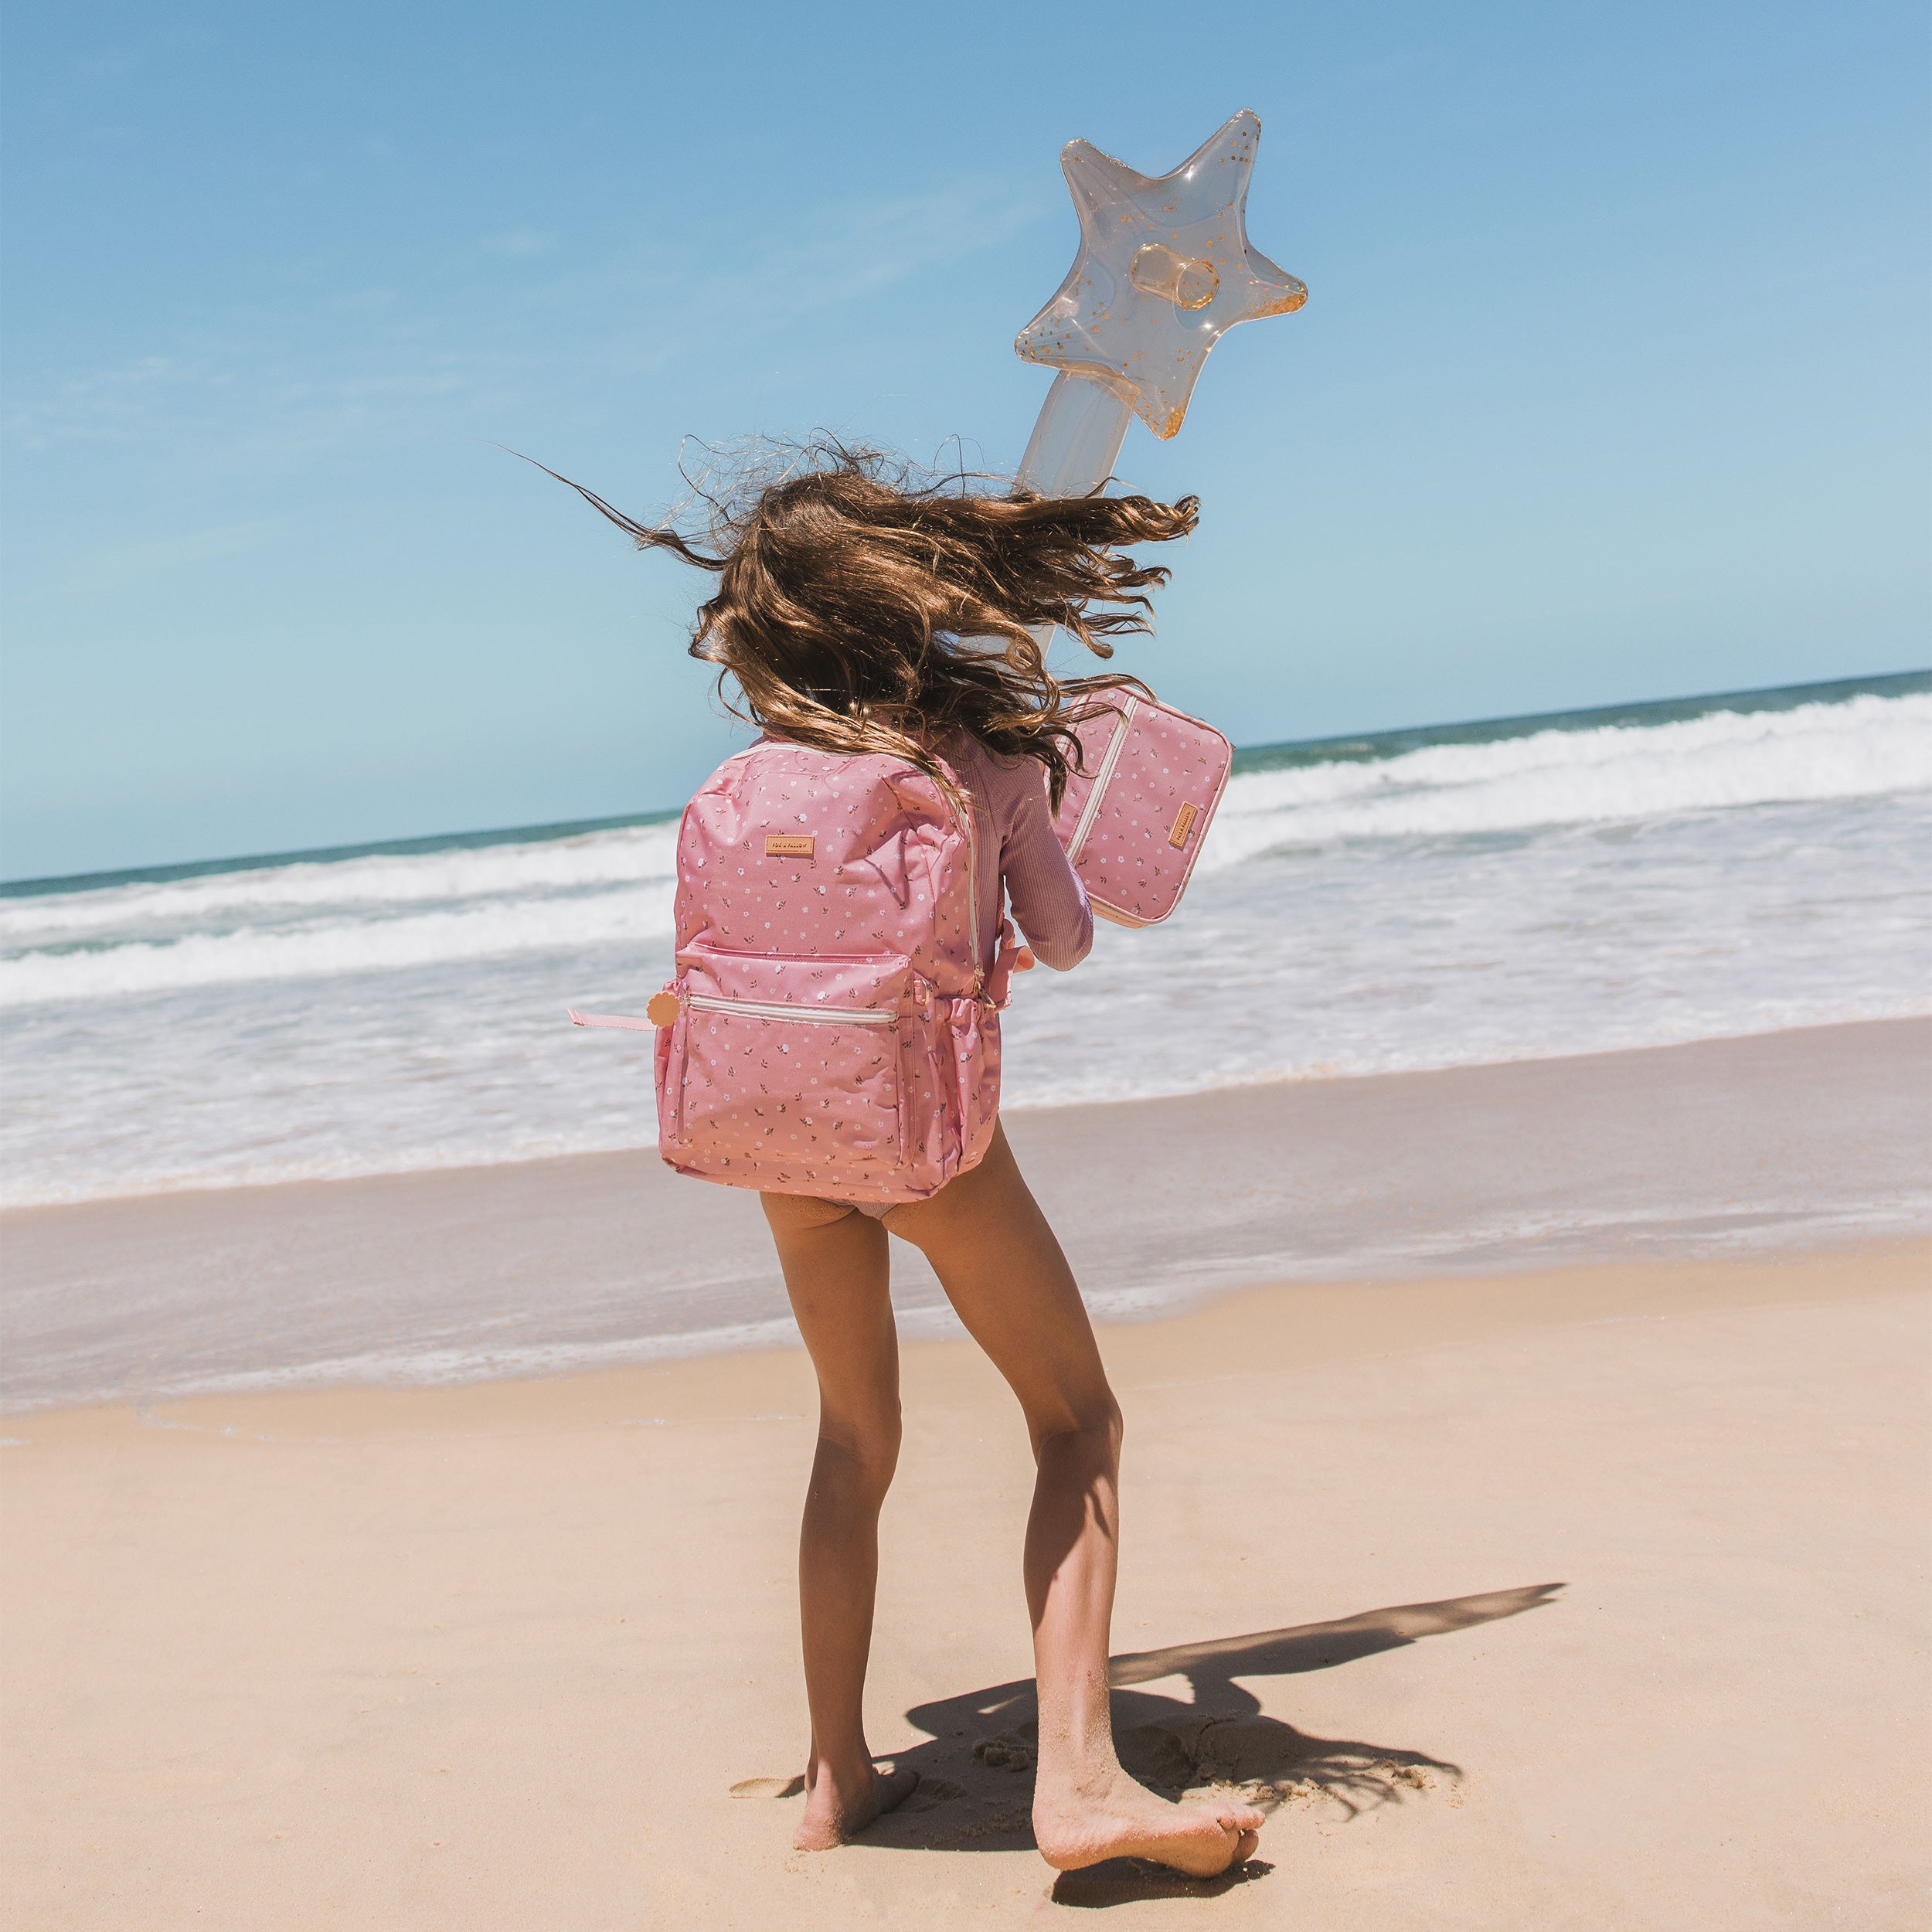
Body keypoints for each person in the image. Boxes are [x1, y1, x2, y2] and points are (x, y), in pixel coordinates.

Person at [560, 441, 1264, 1876]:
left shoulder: (742, 778)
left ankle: (837, 1777)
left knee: (851, 1438)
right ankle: (1077, 1783)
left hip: (777, 1137)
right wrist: (1043, 817)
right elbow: (1063, 941)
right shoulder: (981, 759)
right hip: (929, 1145)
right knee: (1077, 1422)